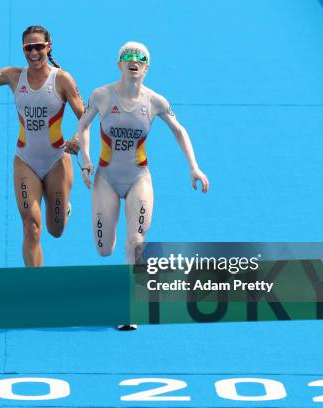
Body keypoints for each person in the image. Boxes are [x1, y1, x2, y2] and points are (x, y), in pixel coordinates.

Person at [77, 42, 209, 329]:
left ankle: (130, 306)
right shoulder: (101, 95)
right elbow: (83, 126)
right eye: (128, 56)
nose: (134, 60)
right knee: (104, 249)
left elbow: (179, 130)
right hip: (106, 179)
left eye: (141, 58)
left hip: (139, 178)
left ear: (147, 68)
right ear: (119, 64)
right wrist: (85, 159)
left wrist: (194, 166)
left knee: (135, 241)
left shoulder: (155, 101)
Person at [0, 24, 84, 266]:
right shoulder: (14, 76)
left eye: (39, 46)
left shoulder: (62, 80)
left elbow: (86, 116)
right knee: (31, 227)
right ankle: (35, 285)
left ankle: (63, 209)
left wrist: (78, 139)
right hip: (25, 161)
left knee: (55, 229)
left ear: (48, 47)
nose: (34, 52)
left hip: (57, 160)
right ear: (23, 49)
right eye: (29, 47)